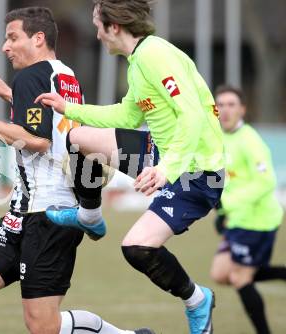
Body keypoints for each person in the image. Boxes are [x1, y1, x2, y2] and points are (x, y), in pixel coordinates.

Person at [0, 7, 154, 334]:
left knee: (43, 325)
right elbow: (52, 127)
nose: (4, 47)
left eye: (12, 38)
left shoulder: (31, 76)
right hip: (22, 211)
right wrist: (11, 94)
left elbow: (36, 141)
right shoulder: (63, 74)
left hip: (49, 214)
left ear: (38, 39)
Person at [35, 1, 225, 333]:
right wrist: (70, 108)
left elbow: (192, 115)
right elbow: (127, 116)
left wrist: (166, 169)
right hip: (161, 154)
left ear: (115, 27)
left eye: (98, 25)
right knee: (78, 137)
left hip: (196, 173)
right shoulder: (137, 62)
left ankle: (197, 301)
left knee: (136, 248)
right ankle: (89, 216)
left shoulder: (155, 55)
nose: (96, 33)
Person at [210, 85, 285, 334]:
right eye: (220, 105)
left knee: (240, 278)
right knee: (220, 273)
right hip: (238, 219)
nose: (226, 110)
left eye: (232, 104)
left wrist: (227, 207)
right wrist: (222, 213)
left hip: (258, 221)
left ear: (242, 109)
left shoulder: (250, 139)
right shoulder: (218, 139)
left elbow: (266, 182)